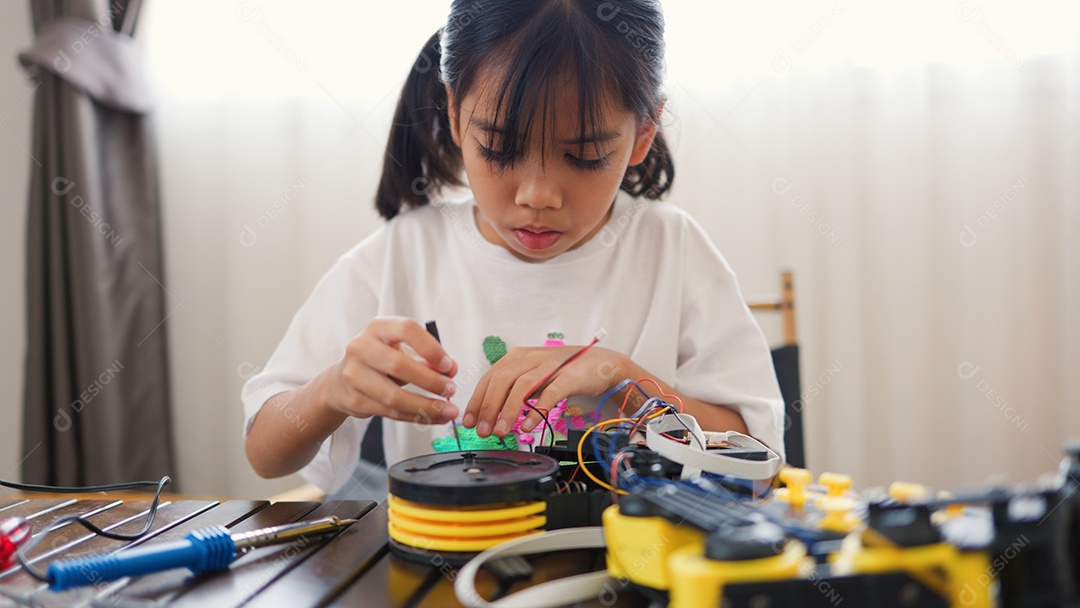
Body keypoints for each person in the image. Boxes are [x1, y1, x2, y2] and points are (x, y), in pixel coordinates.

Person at [242, 0, 785, 497]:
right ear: (454, 114)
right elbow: (265, 453)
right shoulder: (402, 255)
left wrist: (620, 379)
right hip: (447, 560)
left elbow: (762, 463)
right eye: (500, 148)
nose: (537, 196)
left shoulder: (672, 249)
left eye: (586, 156)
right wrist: (330, 391)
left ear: (643, 133)